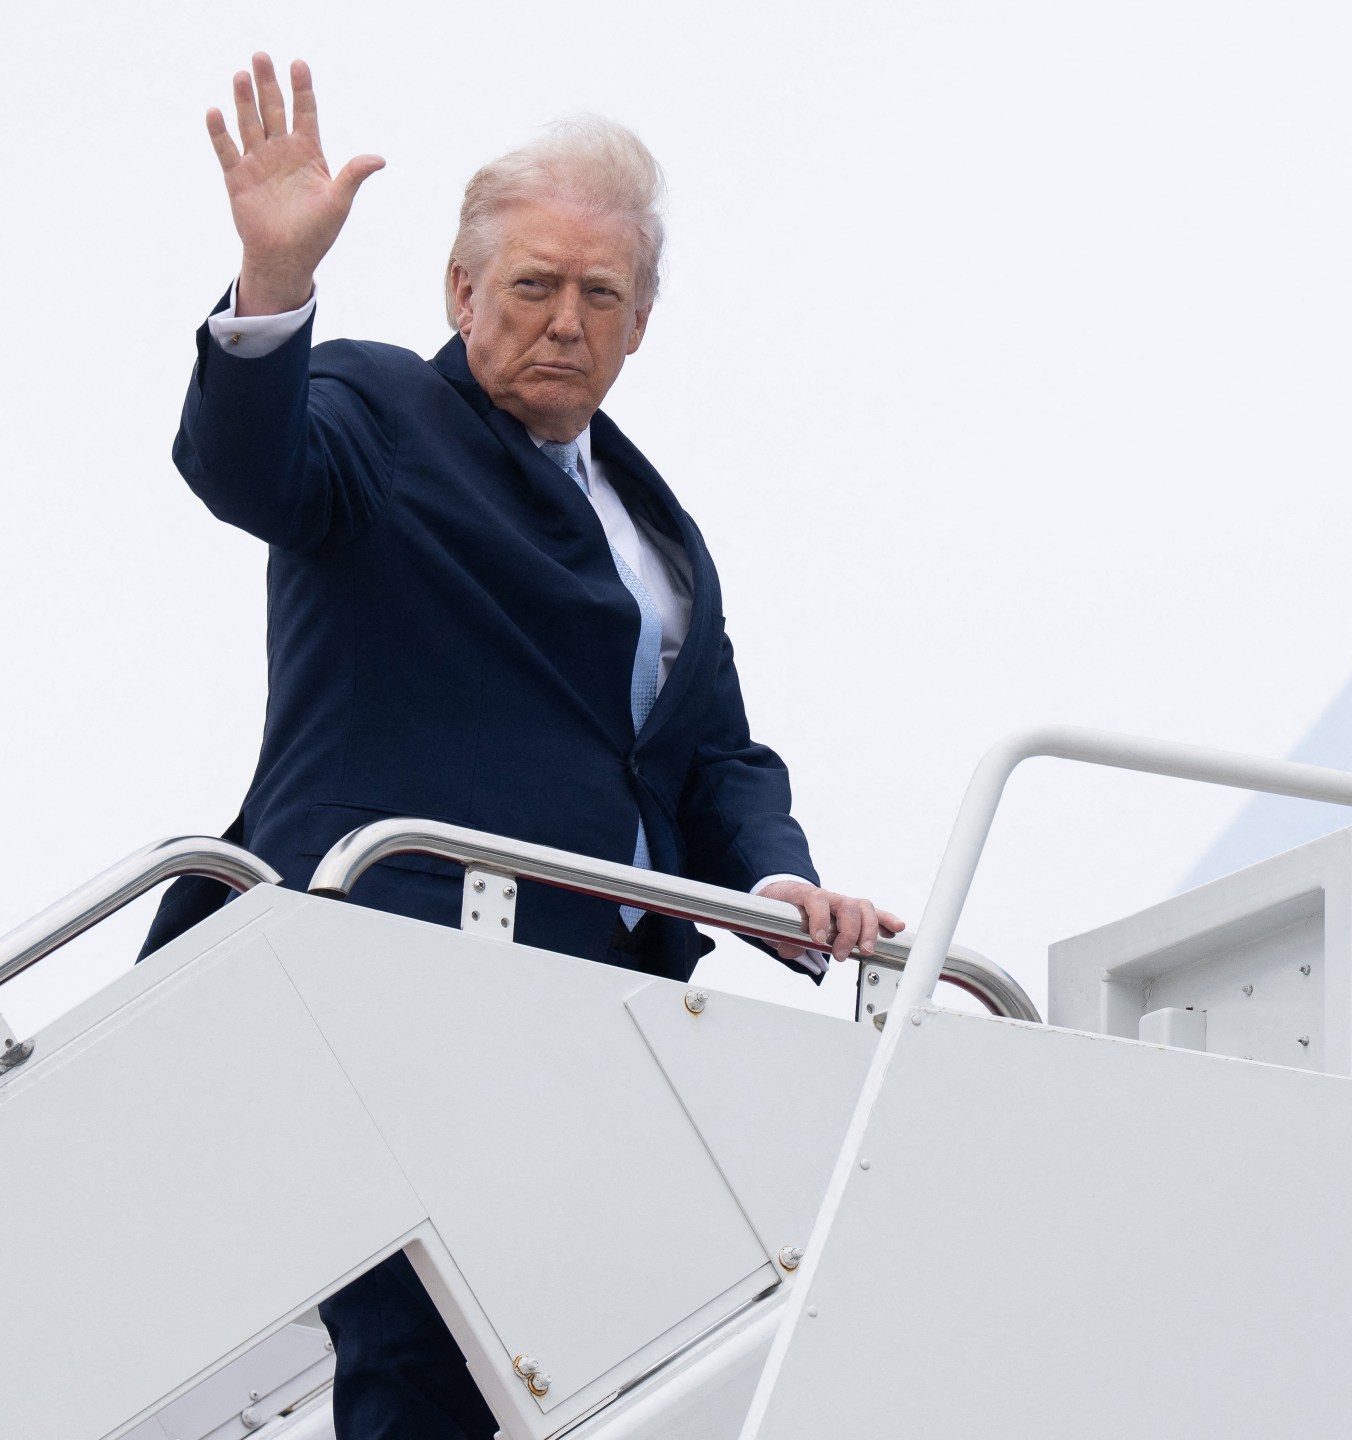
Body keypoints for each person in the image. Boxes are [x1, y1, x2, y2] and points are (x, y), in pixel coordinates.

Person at [147, 52, 903, 1440]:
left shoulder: (658, 531)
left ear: (641, 323)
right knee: (426, 1349)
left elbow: (709, 756)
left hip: (606, 1014)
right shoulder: (380, 414)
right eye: (534, 284)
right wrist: (272, 287)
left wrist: (778, 884)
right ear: (460, 291)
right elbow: (246, 467)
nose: (565, 320)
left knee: (614, 1361)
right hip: (402, 974)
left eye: (599, 295)